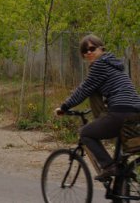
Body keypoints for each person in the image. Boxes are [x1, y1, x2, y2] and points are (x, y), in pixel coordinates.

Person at [55, 34, 140, 180]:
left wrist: (64, 107)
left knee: (85, 133)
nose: (88, 52)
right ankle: (122, 175)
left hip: (120, 112)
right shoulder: (114, 65)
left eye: (92, 48)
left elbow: (84, 89)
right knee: (120, 147)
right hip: (135, 111)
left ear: (101, 49)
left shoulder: (100, 64)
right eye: (84, 51)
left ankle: (108, 166)